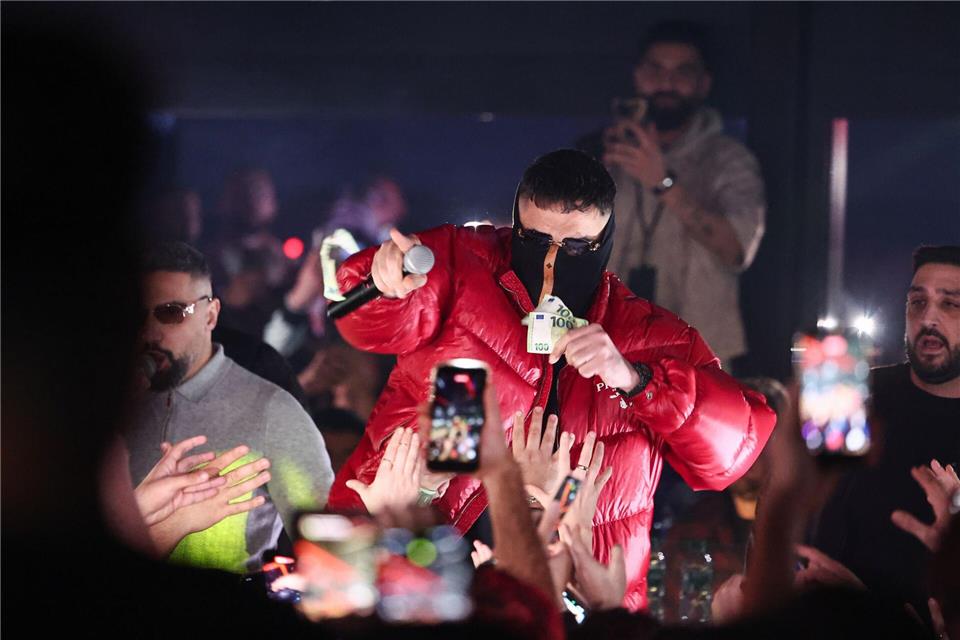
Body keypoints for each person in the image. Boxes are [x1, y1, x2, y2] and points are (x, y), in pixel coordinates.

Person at [326, 148, 776, 610]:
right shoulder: (462, 267)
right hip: (415, 570)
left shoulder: (652, 337)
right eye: (537, 240)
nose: (552, 263)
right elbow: (364, 319)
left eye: (577, 247)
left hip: (579, 603)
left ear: (606, 240)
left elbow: (734, 453)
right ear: (516, 222)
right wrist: (381, 281)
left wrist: (635, 378)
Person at [127, 240, 335, 573]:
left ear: (210, 315)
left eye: (171, 313)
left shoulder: (272, 409)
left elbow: (328, 545)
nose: (150, 333)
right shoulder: (118, 403)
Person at [581, 20, 765, 369]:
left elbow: (737, 250)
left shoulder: (728, 160)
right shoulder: (606, 153)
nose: (666, 82)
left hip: (698, 353)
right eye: (655, 70)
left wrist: (663, 182)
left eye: (682, 72)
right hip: (607, 346)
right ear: (637, 76)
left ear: (703, 83)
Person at [811, 244, 960, 619]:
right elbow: (794, 504)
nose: (928, 319)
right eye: (917, 302)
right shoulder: (847, 388)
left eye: (950, 304)